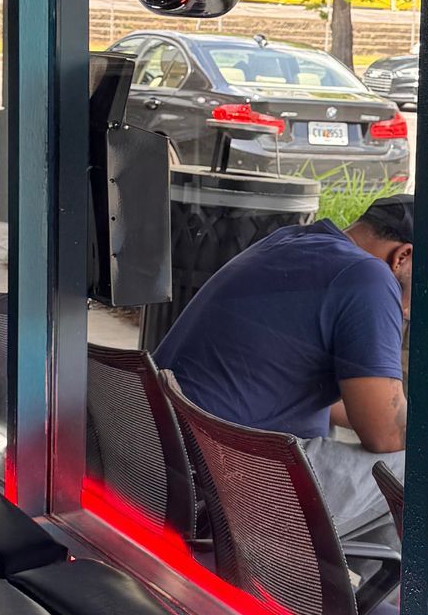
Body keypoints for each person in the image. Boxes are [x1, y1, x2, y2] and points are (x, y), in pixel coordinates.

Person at [155, 194, 411, 559]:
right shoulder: (368, 277)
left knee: (369, 473)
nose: (412, 310)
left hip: (168, 468)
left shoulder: (290, 241)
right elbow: (385, 433)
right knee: (426, 467)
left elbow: (295, 385)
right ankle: (374, 592)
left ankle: (364, 586)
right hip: (226, 490)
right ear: (403, 256)